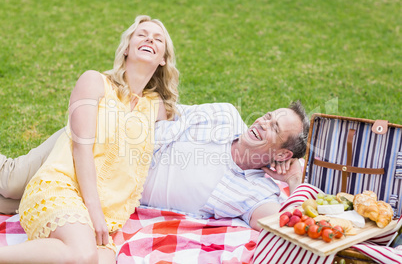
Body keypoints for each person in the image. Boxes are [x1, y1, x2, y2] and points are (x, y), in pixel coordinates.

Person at [0, 14, 179, 264]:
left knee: (100, 260)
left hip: (105, 214)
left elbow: (192, 119)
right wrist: (94, 213)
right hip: (60, 188)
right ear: (126, 48)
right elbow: (81, 150)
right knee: (83, 253)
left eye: (158, 39)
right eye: (142, 34)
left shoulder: (156, 107)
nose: (150, 38)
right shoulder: (95, 82)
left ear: (163, 60)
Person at [1, 101, 309, 231]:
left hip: (104, 191)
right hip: (100, 143)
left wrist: (296, 183)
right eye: (268, 116)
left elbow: (283, 228)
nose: (262, 122)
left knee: (10, 204)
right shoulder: (225, 115)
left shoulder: (256, 191)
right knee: (11, 181)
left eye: (274, 128)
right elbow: (166, 108)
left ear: (282, 154)